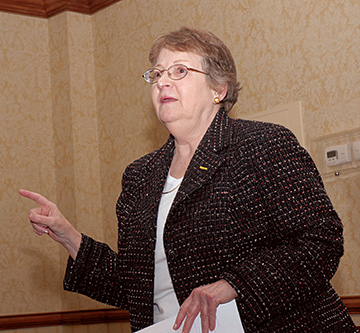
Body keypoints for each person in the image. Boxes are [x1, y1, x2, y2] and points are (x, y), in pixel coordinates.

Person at [20, 27, 357, 333]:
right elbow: (137, 286)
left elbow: (320, 243)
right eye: (157, 74)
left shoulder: (263, 144)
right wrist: (69, 237)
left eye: (179, 71)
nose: (163, 82)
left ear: (218, 88)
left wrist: (234, 285)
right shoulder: (139, 176)